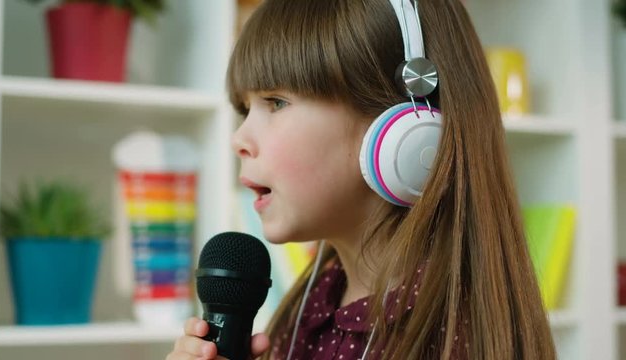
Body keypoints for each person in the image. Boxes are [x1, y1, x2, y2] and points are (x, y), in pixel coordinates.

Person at [166, 0, 556, 359]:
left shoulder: (453, 337)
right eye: (244, 109)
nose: (239, 139)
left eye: (277, 102)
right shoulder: (312, 304)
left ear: (404, 129)